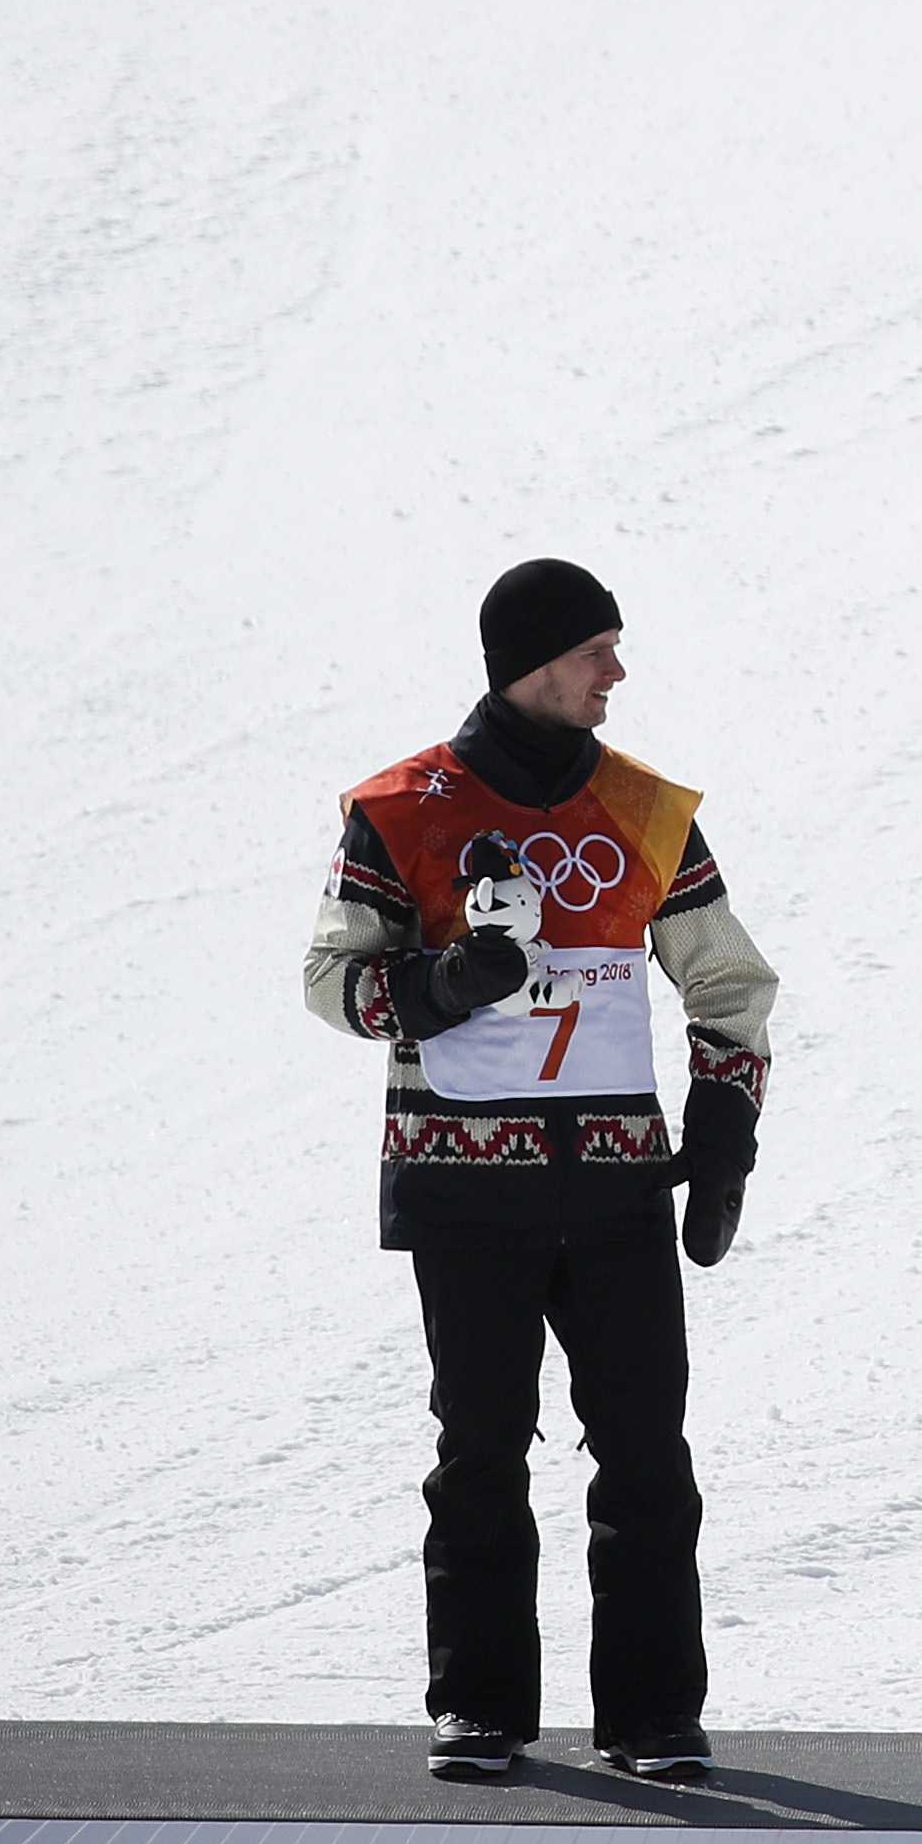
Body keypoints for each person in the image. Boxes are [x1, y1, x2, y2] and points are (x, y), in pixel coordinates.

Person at [303, 558, 780, 1780]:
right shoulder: (402, 808)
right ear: (528, 660)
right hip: (466, 1191)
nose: (616, 673)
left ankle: (654, 1714)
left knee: (646, 1452)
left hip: (618, 1186)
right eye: (595, 650)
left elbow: (726, 980)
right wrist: (438, 985)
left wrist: (725, 1120)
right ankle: (480, 1709)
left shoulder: (646, 809)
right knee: (479, 1450)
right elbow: (330, 982)